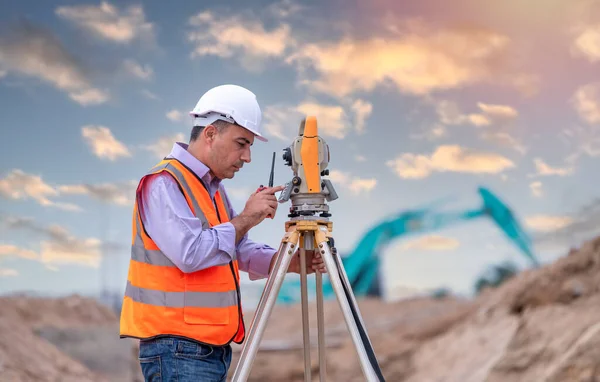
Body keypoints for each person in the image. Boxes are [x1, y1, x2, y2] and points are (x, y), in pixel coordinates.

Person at [119, 84, 327, 382]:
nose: (247, 157)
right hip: (178, 348)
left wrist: (289, 262)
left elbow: (236, 247)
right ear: (210, 134)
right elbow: (191, 253)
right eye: (241, 143)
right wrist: (247, 217)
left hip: (208, 348)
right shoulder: (164, 183)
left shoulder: (213, 189)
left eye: (250, 146)